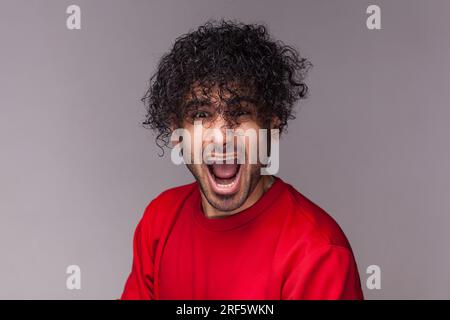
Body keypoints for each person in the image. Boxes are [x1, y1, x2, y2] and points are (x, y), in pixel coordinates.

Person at [121, 20, 363, 300]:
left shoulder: (318, 252)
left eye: (241, 112)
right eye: (201, 114)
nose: (222, 137)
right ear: (177, 133)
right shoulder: (160, 221)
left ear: (271, 127)